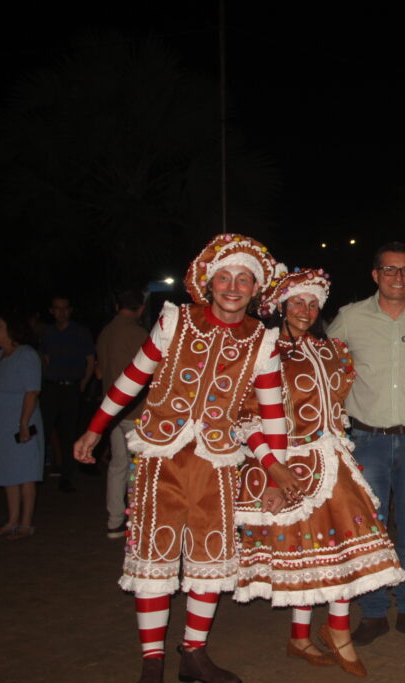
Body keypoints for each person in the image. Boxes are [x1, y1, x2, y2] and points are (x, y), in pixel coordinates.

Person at [73, 233, 291, 683]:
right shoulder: (175, 321)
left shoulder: (262, 342)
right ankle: (152, 661)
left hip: (217, 465)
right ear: (208, 284)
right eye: (225, 278)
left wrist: (275, 476)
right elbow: (132, 379)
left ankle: (194, 654)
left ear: (255, 288)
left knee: (209, 560)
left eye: (244, 279)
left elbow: (273, 416)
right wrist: (95, 429)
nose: (233, 287)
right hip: (161, 460)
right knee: (154, 558)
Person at [234, 268, 405, 677]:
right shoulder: (263, 350)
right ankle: (300, 637)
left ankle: (337, 631)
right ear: (280, 305)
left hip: (333, 463)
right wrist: (272, 467)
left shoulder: (332, 351)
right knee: (306, 554)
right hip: (286, 466)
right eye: (297, 302)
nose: (306, 310)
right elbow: (244, 418)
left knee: (341, 549)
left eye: (313, 304)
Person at [326, 242, 405, 645]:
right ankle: (372, 612)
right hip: (367, 439)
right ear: (375, 275)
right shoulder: (350, 318)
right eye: (389, 270)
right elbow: (324, 367)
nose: (398, 277)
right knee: (368, 531)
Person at [0, 312, 44, 539]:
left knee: (25, 472)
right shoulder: (0, 356)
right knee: (8, 471)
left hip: (21, 423)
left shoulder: (26, 355)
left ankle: (26, 522)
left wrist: (23, 423)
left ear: (12, 330)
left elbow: (32, 391)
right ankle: (12, 520)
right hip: (1, 425)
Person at [95, 289, 149, 539]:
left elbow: (100, 371)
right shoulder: (138, 334)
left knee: (118, 464)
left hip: (111, 410)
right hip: (134, 411)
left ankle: (114, 519)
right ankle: (136, 521)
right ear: (140, 308)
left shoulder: (105, 332)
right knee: (138, 468)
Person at [40, 295, 95, 492]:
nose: (61, 312)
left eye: (64, 308)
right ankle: (38, 473)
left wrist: (82, 384)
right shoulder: (47, 333)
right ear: (51, 311)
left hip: (72, 387)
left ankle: (66, 476)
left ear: (70, 310)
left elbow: (90, 361)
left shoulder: (81, 332)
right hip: (51, 387)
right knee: (44, 430)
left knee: (69, 432)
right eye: (57, 308)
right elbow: (44, 359)